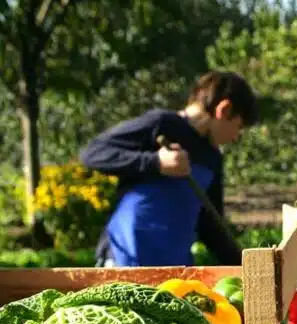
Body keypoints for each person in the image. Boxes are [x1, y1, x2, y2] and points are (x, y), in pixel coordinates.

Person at [79, 70, 258, 267]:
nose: (235, 137)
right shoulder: (162, 124)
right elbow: (93, 153)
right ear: (223, 110)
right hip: (125, 258)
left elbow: (211, 226)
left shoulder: (212, 158)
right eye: (238, 127)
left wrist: (243, 267)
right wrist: (156, 162)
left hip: (175, 268)